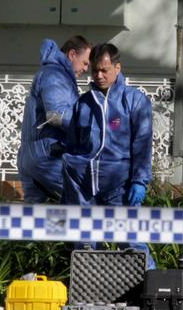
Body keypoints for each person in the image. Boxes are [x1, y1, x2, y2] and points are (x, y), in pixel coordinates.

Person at [61, 43, 156, 269]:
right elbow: (74, 145)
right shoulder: (82, 104)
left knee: (132, 243)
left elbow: (142, 145)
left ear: (117, 68)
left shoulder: (135, 101)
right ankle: (92, 294)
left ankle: (152, 295)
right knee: (85, 246)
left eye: (105, 70)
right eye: (95, 70)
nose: (99, 75)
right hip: (85, 187)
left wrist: (139, 181)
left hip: (120, 186)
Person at [18, 36, 91, 203]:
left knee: (37, 221)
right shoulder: (55, 75)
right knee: (85, 202)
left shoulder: (52, 73)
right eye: (85, 62)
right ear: (72, 54)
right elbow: (55, 115)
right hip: (47, 157)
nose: (86, 68)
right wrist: (90, 126)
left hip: (35, 156)